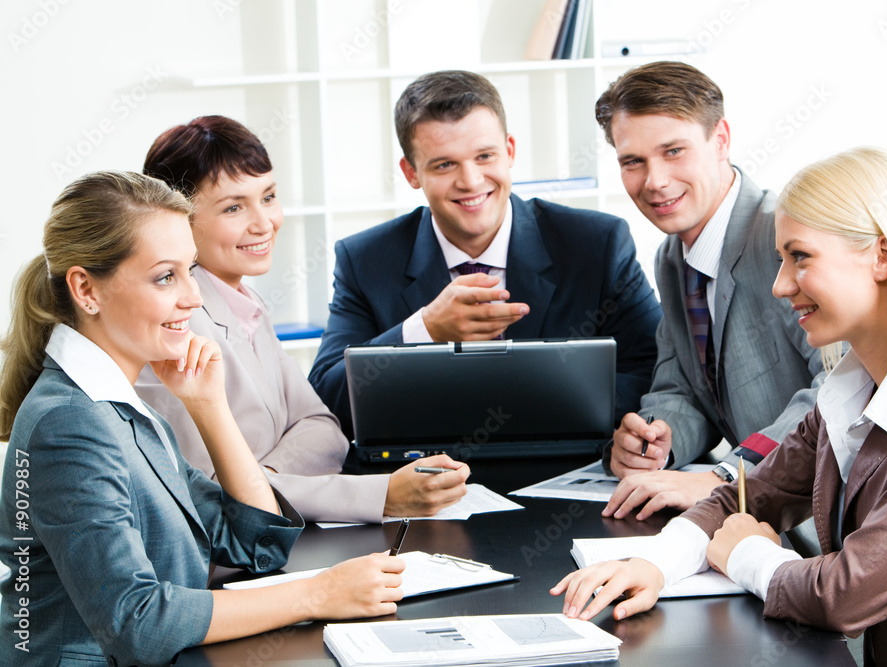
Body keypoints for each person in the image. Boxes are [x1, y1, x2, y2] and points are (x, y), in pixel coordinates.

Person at [552, 147, 887, 665]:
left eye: (800, 257)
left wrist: (745, 551)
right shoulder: (851, 392)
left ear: (882, 255)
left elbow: (844, 593)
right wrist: (653, 564)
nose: (780, 285)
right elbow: (744, 495)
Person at [0, 172, 406, 666]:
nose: (193, 297)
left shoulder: (122, 407)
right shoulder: (70, 422)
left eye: (191, 270)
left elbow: (257, 543)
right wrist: (315, 595)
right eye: (166, 276)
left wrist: (210, 407)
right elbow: (137, 623)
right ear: (87, 290)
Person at [138, 115, 469, 523]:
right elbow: (212, 494)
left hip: (278, 531)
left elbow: (323, 428)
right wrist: (381, 496)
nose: (264, 223)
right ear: (178, 220)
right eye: (233, 207)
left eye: (269, 196)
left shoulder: (246, 303)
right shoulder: (175, 324)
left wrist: (264, 479)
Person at [307, 70, 662, 440]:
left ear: (509, 152)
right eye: (445, 164)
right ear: (411, 173)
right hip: (427, 476)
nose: (471, 181)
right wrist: (424, 330)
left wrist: (531, 401)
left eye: (484, 156)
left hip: (565, 466)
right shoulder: (364, 259)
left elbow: (653, 371)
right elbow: (325, 401)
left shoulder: (596, 242)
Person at [596, 61, 824, 519]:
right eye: (633, 161)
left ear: (720, 140)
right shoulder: (671, 256)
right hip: (753, 517)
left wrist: (724, 476)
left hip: (821, 523)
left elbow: (839, 392)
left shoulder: (788, 237)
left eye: (674, 151)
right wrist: (654, 441)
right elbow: (679, 386)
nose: (655, 181)